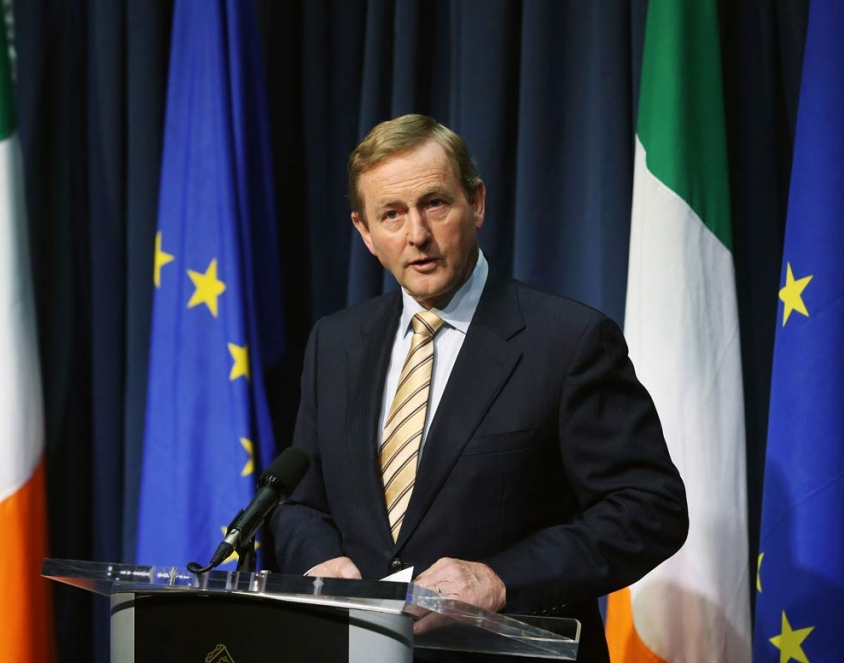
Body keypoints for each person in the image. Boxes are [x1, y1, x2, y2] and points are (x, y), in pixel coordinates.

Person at [269, 114, 688, 663]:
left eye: (435, 204)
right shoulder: (335, 343)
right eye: (391, 215)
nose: (417, 234)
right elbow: (299, 502)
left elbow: (649, 508)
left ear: (478, 203)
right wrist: (320, 561)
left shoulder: (568, 341)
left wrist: (500, 580)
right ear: (365, 234)